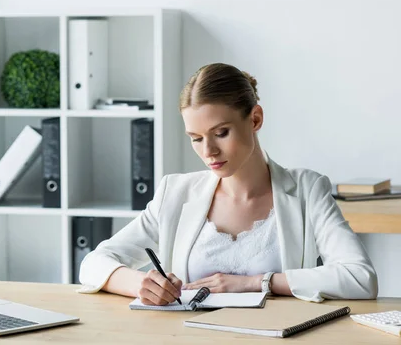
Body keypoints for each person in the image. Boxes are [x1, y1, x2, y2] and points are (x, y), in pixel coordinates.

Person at [78, 63, 378, 305]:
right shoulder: (176, 194)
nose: (208, 151)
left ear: (255, 119)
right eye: (196, 139)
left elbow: (360, 277)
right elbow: (93, 263)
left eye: (221, 132)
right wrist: (141, 284)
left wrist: (257, 282)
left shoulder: (307, 190)